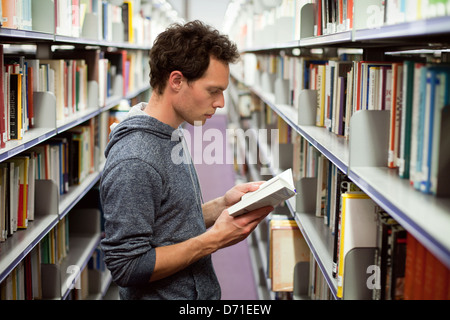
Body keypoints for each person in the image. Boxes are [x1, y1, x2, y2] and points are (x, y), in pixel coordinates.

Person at [100, 20, 273, 300]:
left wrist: (222, 205)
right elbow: (127, 267)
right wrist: (213, 240)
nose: (220, 103)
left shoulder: (171, 133)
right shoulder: (135, 161)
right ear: (177, 81)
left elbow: (166, 223)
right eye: (213, 90)